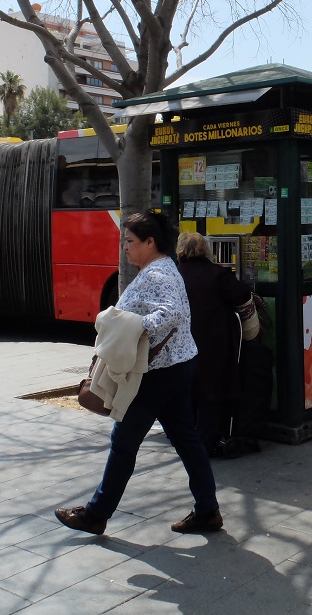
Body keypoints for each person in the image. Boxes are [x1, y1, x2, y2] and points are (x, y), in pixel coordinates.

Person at [55, 211, 223, 535]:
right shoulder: (161, 268)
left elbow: (170, 313)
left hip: (159, 373)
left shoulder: (157, 273)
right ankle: (207, 510)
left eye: (130, 242)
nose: (125, 248)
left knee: (124, 441)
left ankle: (96, 513)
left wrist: (130, 329)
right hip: (176, 366)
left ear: (150, 242)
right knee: (186, 439)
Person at [175, 231, 253, 455]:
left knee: (190, 393)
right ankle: (206, 441)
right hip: (214, 344)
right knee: (211, 393)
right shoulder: (216, 274)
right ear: (204, 249)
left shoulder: (176, 274)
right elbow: (241, 294)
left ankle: (188, 438)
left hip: (184, 345)